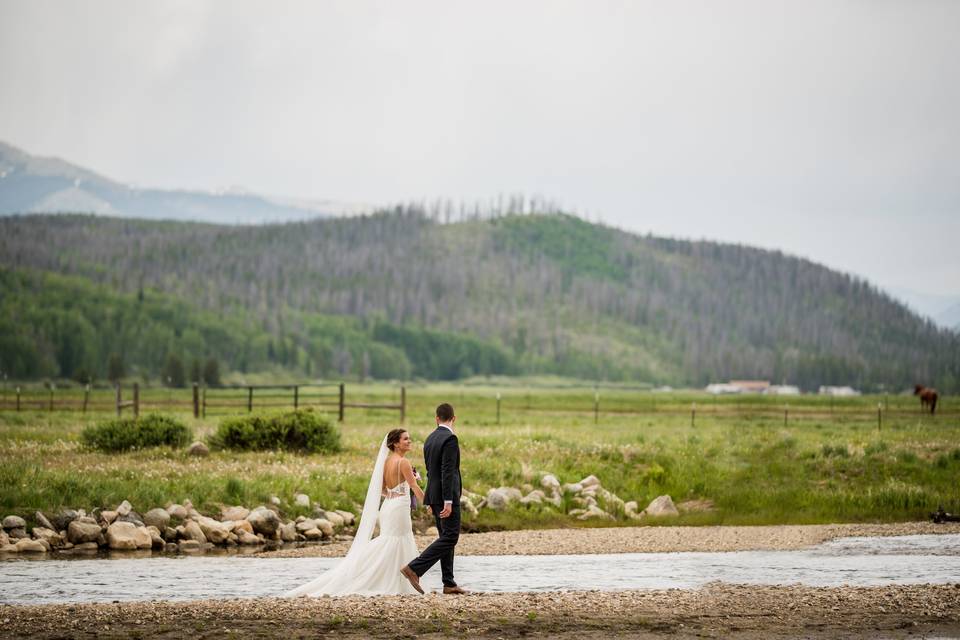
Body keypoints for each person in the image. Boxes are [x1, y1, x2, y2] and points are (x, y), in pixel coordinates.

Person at [285, 428, 425, 596]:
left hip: (388, 506)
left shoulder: (386, 462)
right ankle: (383, 578)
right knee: (396, 541)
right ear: (395, 444)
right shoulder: (403, 462)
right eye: (405, 439)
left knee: (392, 540)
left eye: (409, 439)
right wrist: (429, 502)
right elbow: (414, 486)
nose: (409, 441)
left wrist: (393, 494)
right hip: (399, 507)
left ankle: (392, 580)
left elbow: (381, 490)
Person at [401, 403, 467, 595]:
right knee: (450, 536)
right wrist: (448, 500)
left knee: (445, 537)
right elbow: (447, 471)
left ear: (437, 418)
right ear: (454, 419)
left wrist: (430, 498)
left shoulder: (430, 438)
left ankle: (449, 583)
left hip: (434, 494)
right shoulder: (451, 438)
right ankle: (414, 568)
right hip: (447, 496)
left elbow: (431, 471)